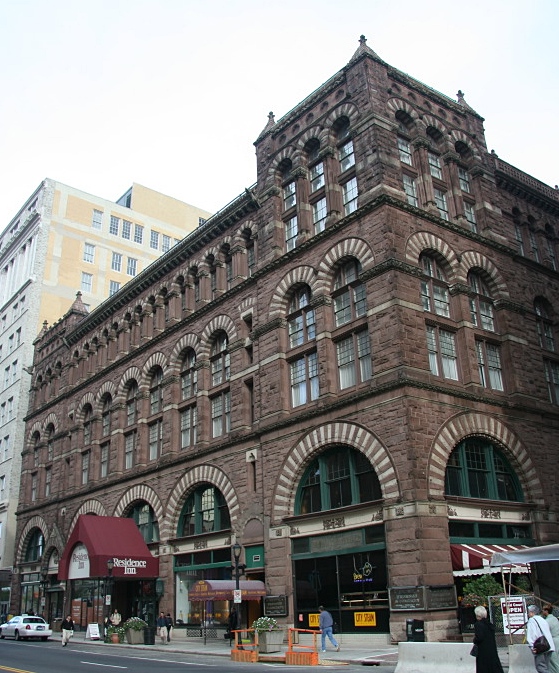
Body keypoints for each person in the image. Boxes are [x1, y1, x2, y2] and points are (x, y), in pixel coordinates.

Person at [472, 605, 504, 673]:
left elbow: (479, 637)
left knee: (484, 667)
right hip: (492, 649)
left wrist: (474, 640)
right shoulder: (489, 624)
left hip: (483, 650)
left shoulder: (478, 624)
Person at [527, 604, 555, 673]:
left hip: (540, 647)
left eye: (528, 612)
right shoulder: (543, 619)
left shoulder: (532, 620)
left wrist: (532, 646)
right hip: (549, 645)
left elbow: (532, 634)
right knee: (546, 667)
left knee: (541, 668)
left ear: (531, 612)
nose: (528, 614)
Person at [542, 605, 559, 673]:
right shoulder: (555, 619)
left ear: (546, 611)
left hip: (552, 641)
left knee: (552, 660)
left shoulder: (547, 621)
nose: (542, 611)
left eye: (543, 610)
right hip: (557, 639)